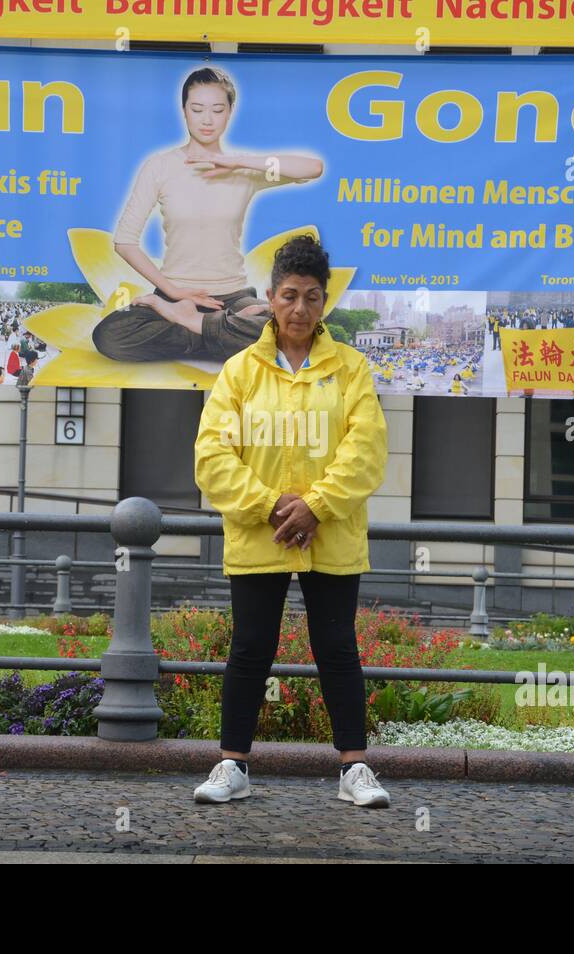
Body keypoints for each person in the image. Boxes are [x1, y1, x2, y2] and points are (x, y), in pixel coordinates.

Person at [192, 234, 390, 807]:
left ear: (323, 302)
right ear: (270, 299)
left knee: (337, 646)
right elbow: (212, 455)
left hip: (333, 531)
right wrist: (273, 506)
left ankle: (355, 768)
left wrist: (318, 506)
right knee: (251, 646)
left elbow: (367, 450)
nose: (298, 309)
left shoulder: (351, 369)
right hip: (261, 531)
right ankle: (233, 763)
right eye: (287, 296)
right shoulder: (239, 371)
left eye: (310, 297)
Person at [92, 66, 324, 363]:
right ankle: (219, 336)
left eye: (217, 109)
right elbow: (125, 241)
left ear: (230, 112)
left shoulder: (243, 171)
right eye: (197, 108)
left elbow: (313, 168)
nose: (207, 119)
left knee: (288, 331)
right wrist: (174, 294)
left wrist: (236, 161)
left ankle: (198, 327)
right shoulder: (160, 167)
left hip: (235, 299)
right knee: (109, 335)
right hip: (174, 298)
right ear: (184, 111)